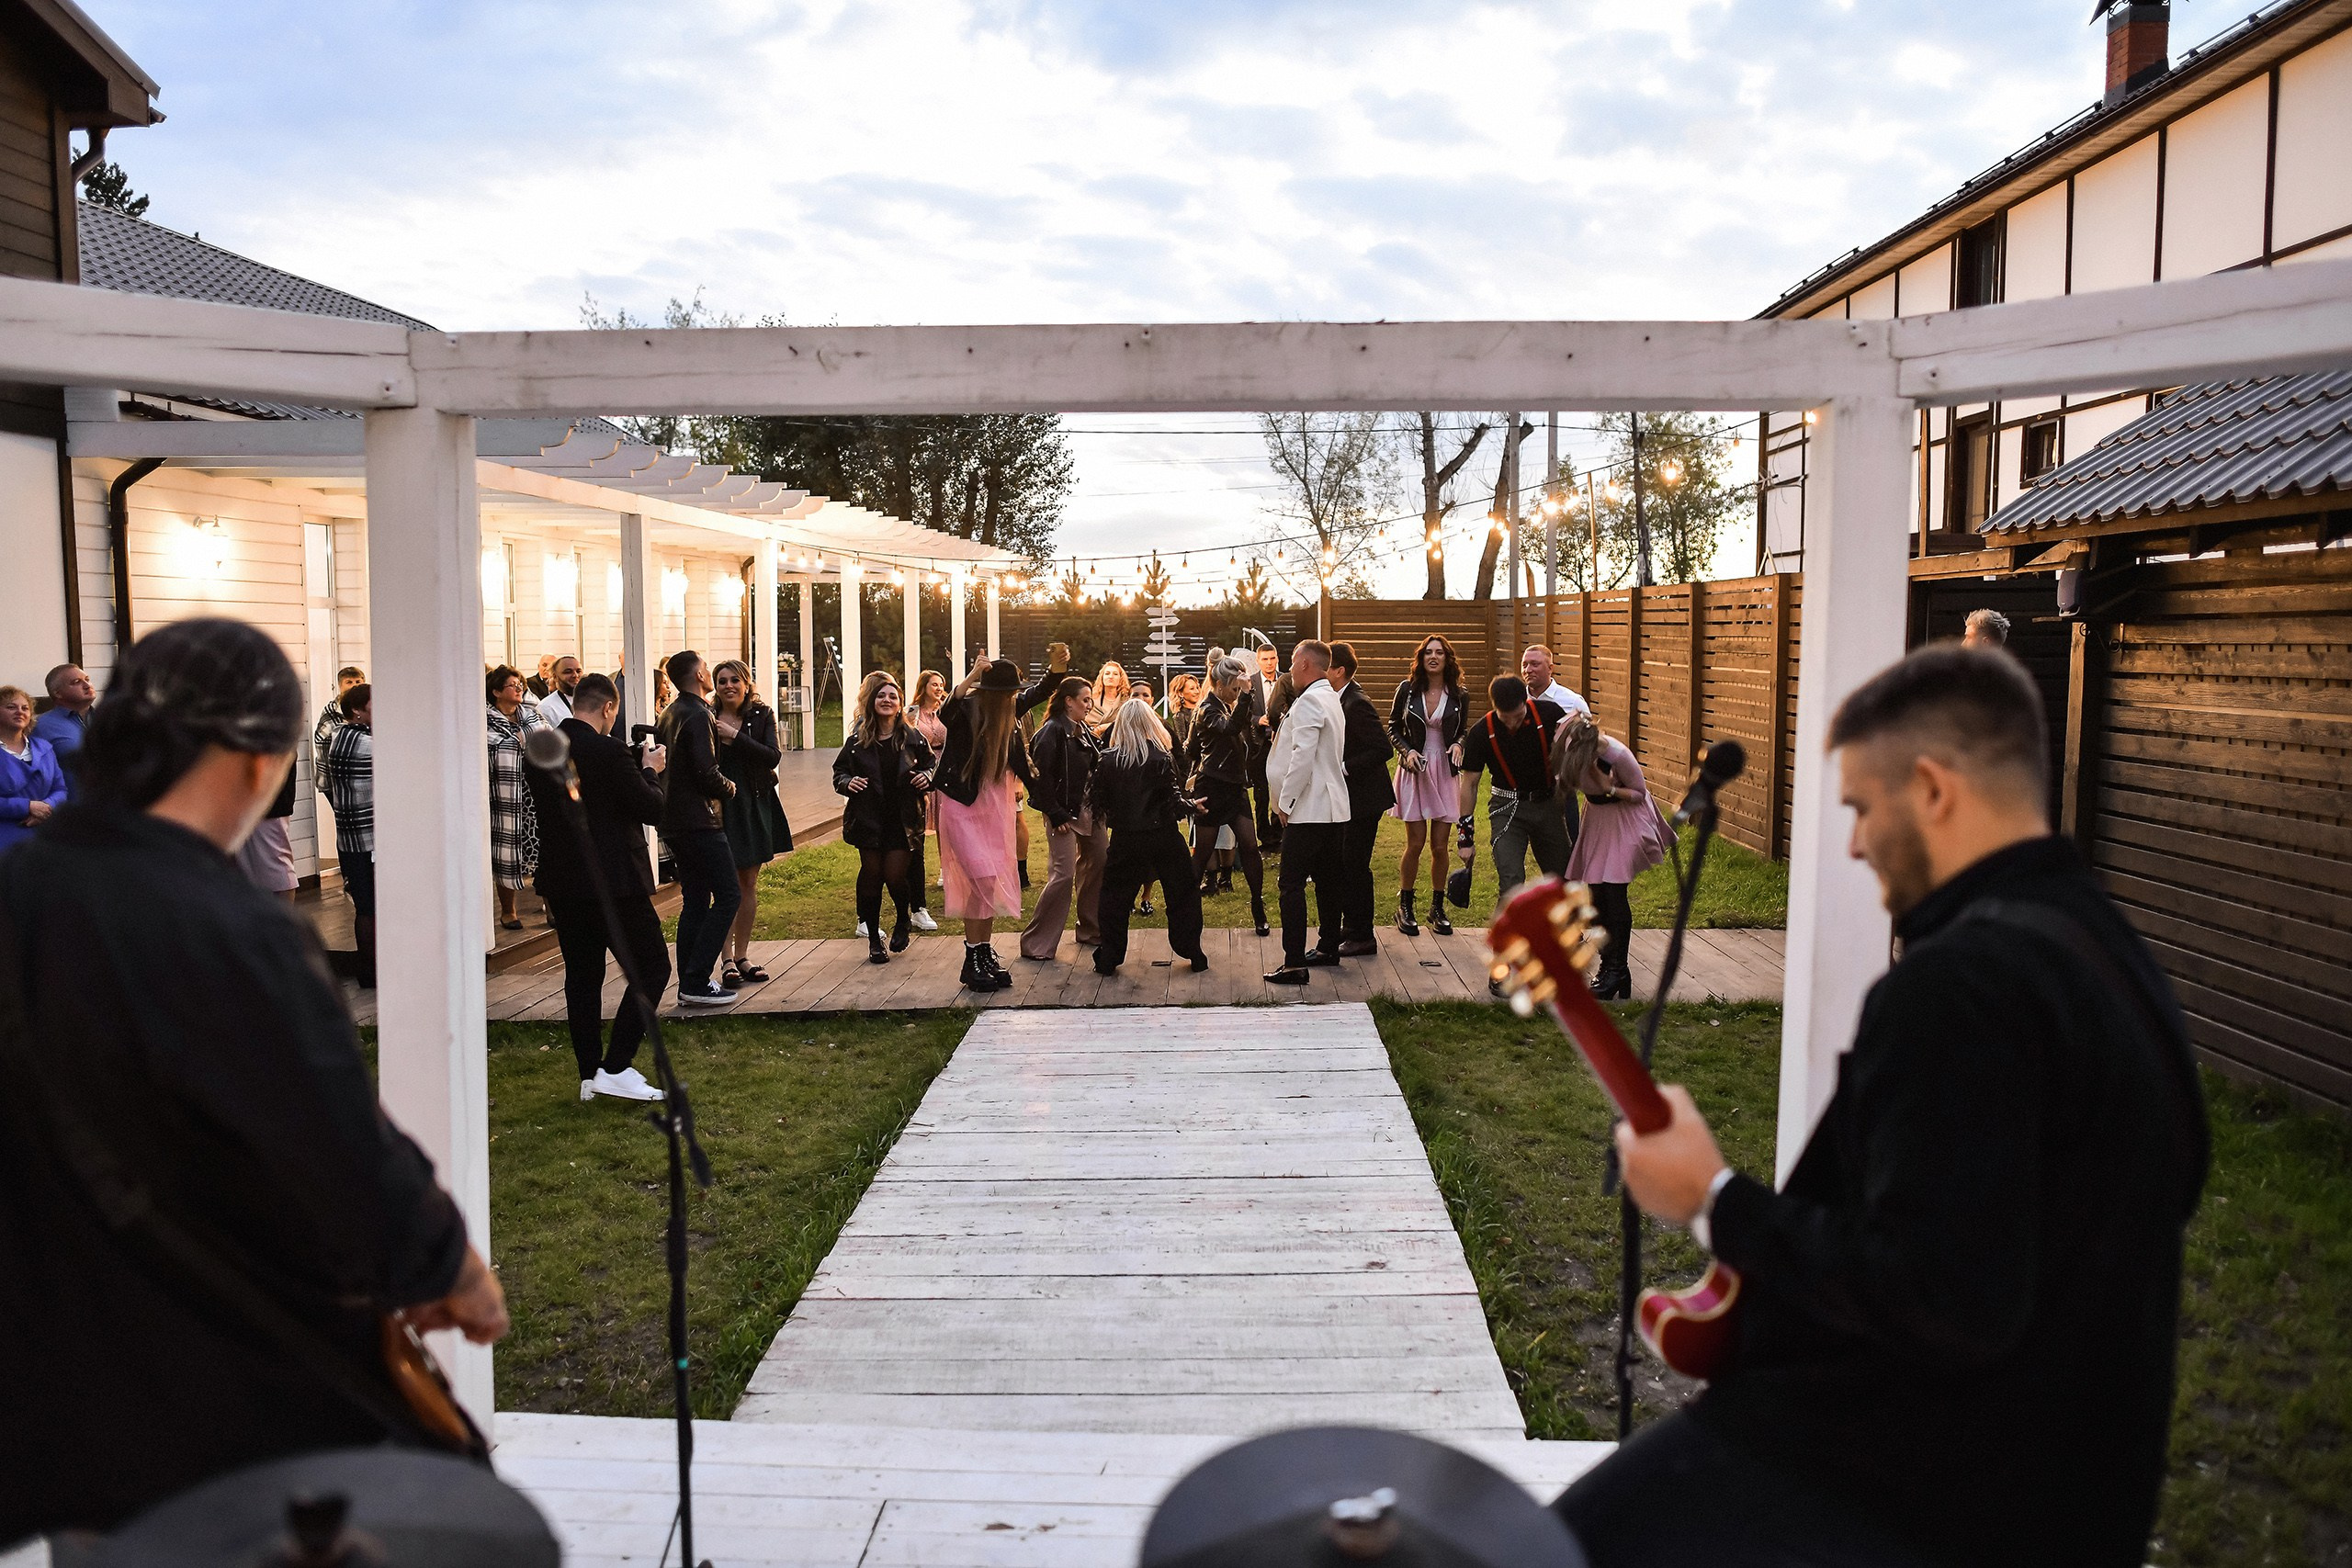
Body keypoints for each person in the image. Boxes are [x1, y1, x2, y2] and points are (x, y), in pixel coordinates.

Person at [1564, 644, 2209, 1568]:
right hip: (2078, 1493)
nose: (1856, 843)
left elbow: (1940, 1299)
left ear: (1935, 789)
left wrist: (1712, 1197)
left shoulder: (1958, 986)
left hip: (1909, 1485)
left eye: (1863, 808)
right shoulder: (2109, 951)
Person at [0, 619, 506, 1540]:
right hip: (218, 1397)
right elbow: (333, 1146)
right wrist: (449, 1265)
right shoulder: (228, 930)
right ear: (255, 760)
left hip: (53, 1388)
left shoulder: (24, 894)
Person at [526, 672, 670, 1103]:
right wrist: (650, 770)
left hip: (563, 881)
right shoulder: (608, 751)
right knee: (653, 967)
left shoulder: (542, 750)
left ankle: (589, 1073)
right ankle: (617, 1064)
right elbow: (651, 809)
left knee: (583, 976)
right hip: (614, 881)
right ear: (609, 707)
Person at [1453, 674, 1573, 996]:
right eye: (1506, 718)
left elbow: (1575, 749)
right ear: (1495, 710)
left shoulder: (1549, 715)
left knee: (1560, 881)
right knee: (1511, 884)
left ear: (1527, 703)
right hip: (1507, 810)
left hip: (1549, 805)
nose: (1513, 723)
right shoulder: (1481, 733)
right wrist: (1465, 836)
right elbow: (1470, 783)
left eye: (1518, 716)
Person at [1556, 714, 1674, 1001]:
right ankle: (1613, 970)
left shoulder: (1618, 755)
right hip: (1597, 819)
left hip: (1624, 818)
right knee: (1596, 898)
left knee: (1613, 891)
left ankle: (1615, 970)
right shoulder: (1571, 746)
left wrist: (1607, 786)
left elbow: (1638, 793)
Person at [1088, 698, 1207, 976]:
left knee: (1115, 899)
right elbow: (1174, 802)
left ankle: (1109, 956)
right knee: (1182, 893)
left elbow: (1098, 800)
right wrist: (1194, 806)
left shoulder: (1108, 759)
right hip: (1163, 835)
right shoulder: (1161, 758)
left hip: (1125, 838)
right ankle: (1192, 951)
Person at [933, 657, 1033, 991]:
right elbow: (947, 710)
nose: (1012, 699)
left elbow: (1040, 694)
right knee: (981, 879)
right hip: (962, 806)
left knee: (987, 886)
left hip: (993, 807)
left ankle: (982, 952)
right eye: (1007, 693)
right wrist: (974, 675)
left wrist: (1056, 672)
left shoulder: (1009, 722)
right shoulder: (967, 711)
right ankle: (972, 958)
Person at [656, 650, 741, 1008]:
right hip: (699, 821)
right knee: (729, 895)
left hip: (674, 820)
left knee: (694, 900)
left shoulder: (669, 713)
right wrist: (730, 788)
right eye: (707, 669)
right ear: (700, 676)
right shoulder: (697, 714)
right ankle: (696, 978)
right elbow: (705, 772)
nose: (710, 673)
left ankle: (690, 983)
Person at [833, 671, 935, 964]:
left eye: (893, 696)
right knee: (871, 875)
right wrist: (847, 782)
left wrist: (926, 777)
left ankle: (903, 918)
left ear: (900, 702)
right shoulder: (857, 739)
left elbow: (932, 765)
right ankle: (874, 941)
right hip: (869, 817)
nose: (887, 700)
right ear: (872, 702)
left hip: (903, 818)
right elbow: (839, 771)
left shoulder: (913, 736)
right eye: (881, 695)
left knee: (894, 875)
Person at [1263, 639, 1348, 987]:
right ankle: (1329, 945)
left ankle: (1294, 962)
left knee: (1291, 885)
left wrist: (1285, 801)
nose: (1289, 671)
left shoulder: (1312, 700)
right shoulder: (1330, 697)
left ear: (1303, 665)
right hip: (1331, 807)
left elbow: (1303, 756)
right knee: (1328, 881)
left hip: (1309, 807)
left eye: (1293, 664)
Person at [711, 658, 791, 987]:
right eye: (722, 681)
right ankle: (725, 959)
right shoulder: (706, 715)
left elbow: (772, 755)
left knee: (748, 883)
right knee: (725, 885)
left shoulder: (762, 715)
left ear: (746, 683)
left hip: (755, 801)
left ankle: (742, 955)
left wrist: (734, 735)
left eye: (734, 680)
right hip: (721, 806)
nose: (728, 686)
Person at [1020, 674, 1107, 961]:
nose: (1089, 704)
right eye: (1085, 699)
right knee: (1063, 874)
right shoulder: (1051, 731)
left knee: (1099, 861)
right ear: (1068, 702)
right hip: (1063, 813)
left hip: (1089, 810)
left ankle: (1091, 930)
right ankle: (1036, 943)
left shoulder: (1081, 729)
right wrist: (1055, 813)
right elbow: (1039, 778)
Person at [1388, 635, 1466, 937]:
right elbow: (1393, 726)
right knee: (1416, 843)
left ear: (1448, 658)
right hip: (1416, 768)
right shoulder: (1407, 690)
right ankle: (1405, 906)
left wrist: (1460, 743)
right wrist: (1407, 751)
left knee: (1440, 846)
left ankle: (1437, 907)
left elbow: (1464, 730)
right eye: (1428, 653)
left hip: (1445, 771)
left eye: (1440, 653)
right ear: (1421, 658)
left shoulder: (1459, 694)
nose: (1434, 657)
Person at [1185, 656, 1269, 936]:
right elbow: (1228, 729)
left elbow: (1236, 730)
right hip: (1212, 788)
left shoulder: (1227, 705)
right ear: (1219, 685)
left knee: (1250, 845)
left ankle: (1258, 904)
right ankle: (1186, 907)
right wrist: (1245, 697)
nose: (1237, 694)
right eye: (1233, 689)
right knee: (1203, 853)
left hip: (1234, 787)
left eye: (1239, 690)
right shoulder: (1207, 709)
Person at [1326, 642, 1395, 956]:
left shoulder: (1356, 703)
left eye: (1325, 667)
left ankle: (1362, 934)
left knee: (1354, 864)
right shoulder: (1340, 697)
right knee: (1342, 862)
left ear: (1339, 671)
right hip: (1349, 799)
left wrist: (1344, 767)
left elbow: (1382, 749)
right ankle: (1351, 925)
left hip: (1364, 799)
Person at [317, 683, 376, 988]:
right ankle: (374, 968)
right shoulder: (362, 743)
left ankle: (370, 968)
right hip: (369, 840)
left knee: (365, 905)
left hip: (349, 839)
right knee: (371, 907)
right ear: (356, 710)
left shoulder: (339, 737)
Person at [485, 665, 547, 932]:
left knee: (545, 852)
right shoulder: (485, 722)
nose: (519, 688)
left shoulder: (532, 716)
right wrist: (522, 741)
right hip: (505, 796)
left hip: (536, 794)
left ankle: (552, 906)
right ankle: (508, 910)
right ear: (497, 691)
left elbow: (548, 740)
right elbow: (493, 750)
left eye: (520, 684)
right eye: (513, 685)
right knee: (506, 852)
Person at [1521, 643, 1590, 851]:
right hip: (1522, 786)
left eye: (1535, 664)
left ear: (1551, 668)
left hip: (1560, 787)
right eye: (1524, 665)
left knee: (1569, 844)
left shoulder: (1571, 702)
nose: (1528, 670)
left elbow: (1587, 743)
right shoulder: (1515, 701)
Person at [0, 684, 68, 853]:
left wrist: (46, 807)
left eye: (25, 708)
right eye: (11, 707)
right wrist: (27, 807)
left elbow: (60, 789)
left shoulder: (44, 748)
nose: (20, 711)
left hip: (45, 837)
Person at [905, 668, 948, 932]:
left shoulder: (944, 711)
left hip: (943, 770)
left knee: (947, 823)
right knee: (922, 826)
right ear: (924, 687)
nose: (939, 688)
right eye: (934, 684)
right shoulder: (912, 712)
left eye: (942, 684)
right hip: (922, 769)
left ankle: (947, 871)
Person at [234, 762, 301, 902]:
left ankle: (284, 918)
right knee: (253, 867)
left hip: (272, 804)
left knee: (278, 864)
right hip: (252, 802)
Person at [1248, 643, 1288, 847]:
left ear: (1277, 659)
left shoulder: (1286, 680)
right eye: (1265, 659)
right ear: (1258, 661)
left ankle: (1280, 833)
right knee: (1261, 793)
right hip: (1259, 744)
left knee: (1281, 789)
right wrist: (1257, 720)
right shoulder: (1250, 683)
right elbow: (1243, 713)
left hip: (1282, 742)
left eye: (1272, 658)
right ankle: (1265, 837)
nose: (1269, 663)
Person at [536, 654, 582, 727]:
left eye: (578, 671)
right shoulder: (545, 708)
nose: (575, 675)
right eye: (568, 672)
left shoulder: (592, 701)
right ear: (555, 677)